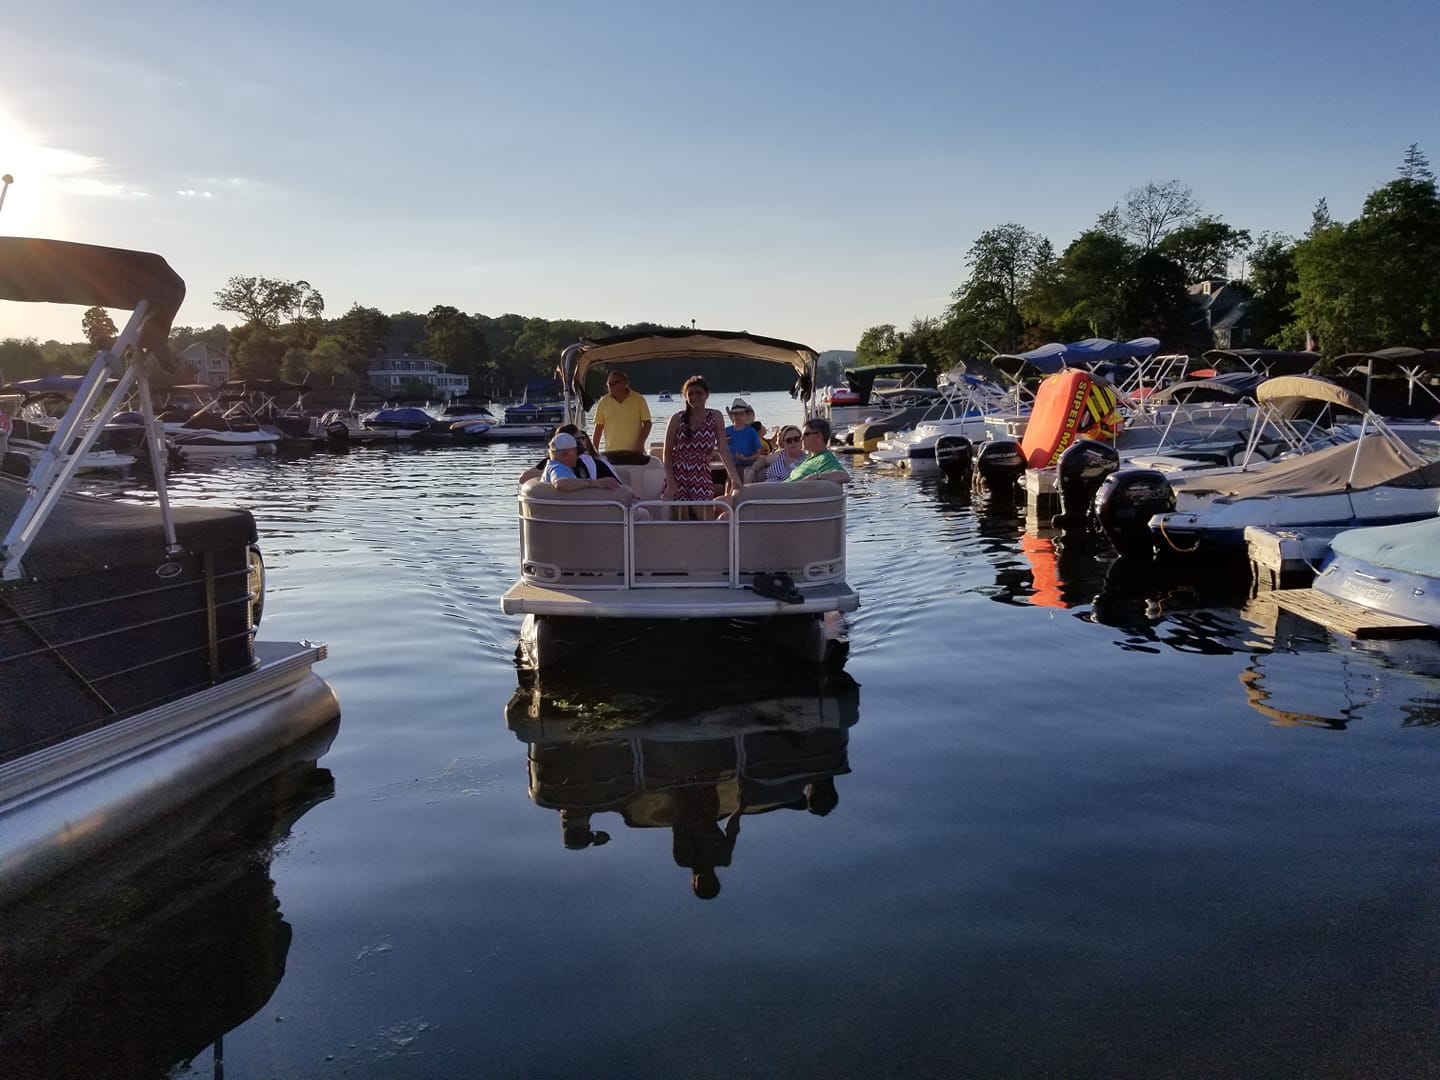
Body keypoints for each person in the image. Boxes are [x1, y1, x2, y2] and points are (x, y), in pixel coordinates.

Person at [663, 375, 742, 514]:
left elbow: (723, 448)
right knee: (681, 518)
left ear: (707, 394)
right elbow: (667, 452)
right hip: (678, 472)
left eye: (699, 393)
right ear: (685, 396)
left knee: (706, 517)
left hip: (701, 471)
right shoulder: (677, 418)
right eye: (690, 394)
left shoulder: (715, 416)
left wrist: (734, 478)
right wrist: (671, 482)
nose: (695, 397)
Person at [592, 370, 652, 455]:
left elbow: (647, 424)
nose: (611, 387)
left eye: (614, 383)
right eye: (609, 384)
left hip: (635, 453)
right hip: (611, 454)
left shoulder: (638, 399)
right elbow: (598, 430)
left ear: (624, 383)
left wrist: (640, 444)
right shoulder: (603, 402)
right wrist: (594, 452)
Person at [541, 432, 623, 493]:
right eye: (577, 452)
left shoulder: (554, 466)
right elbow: (560, 483)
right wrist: (595, 483)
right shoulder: (557, 468)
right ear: (567, 452)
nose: (578, 456)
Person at [784, 417, 851, 484]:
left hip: (787, 489)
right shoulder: (810, 458)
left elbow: (844, 476)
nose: (801, 439)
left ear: (818, 436)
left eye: (805, 434)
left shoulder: (825, 458)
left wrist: (817, 476)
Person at [724, 398, 765, 470]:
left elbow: (757, 454)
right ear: (732, 415)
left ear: (746, 415)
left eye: (741, 413)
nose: (738, 416)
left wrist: (745, 459)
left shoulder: (751, 432)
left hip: (748, 467)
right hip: (730, 468)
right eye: (736, 414)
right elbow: (720, 450)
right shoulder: (726, 431)